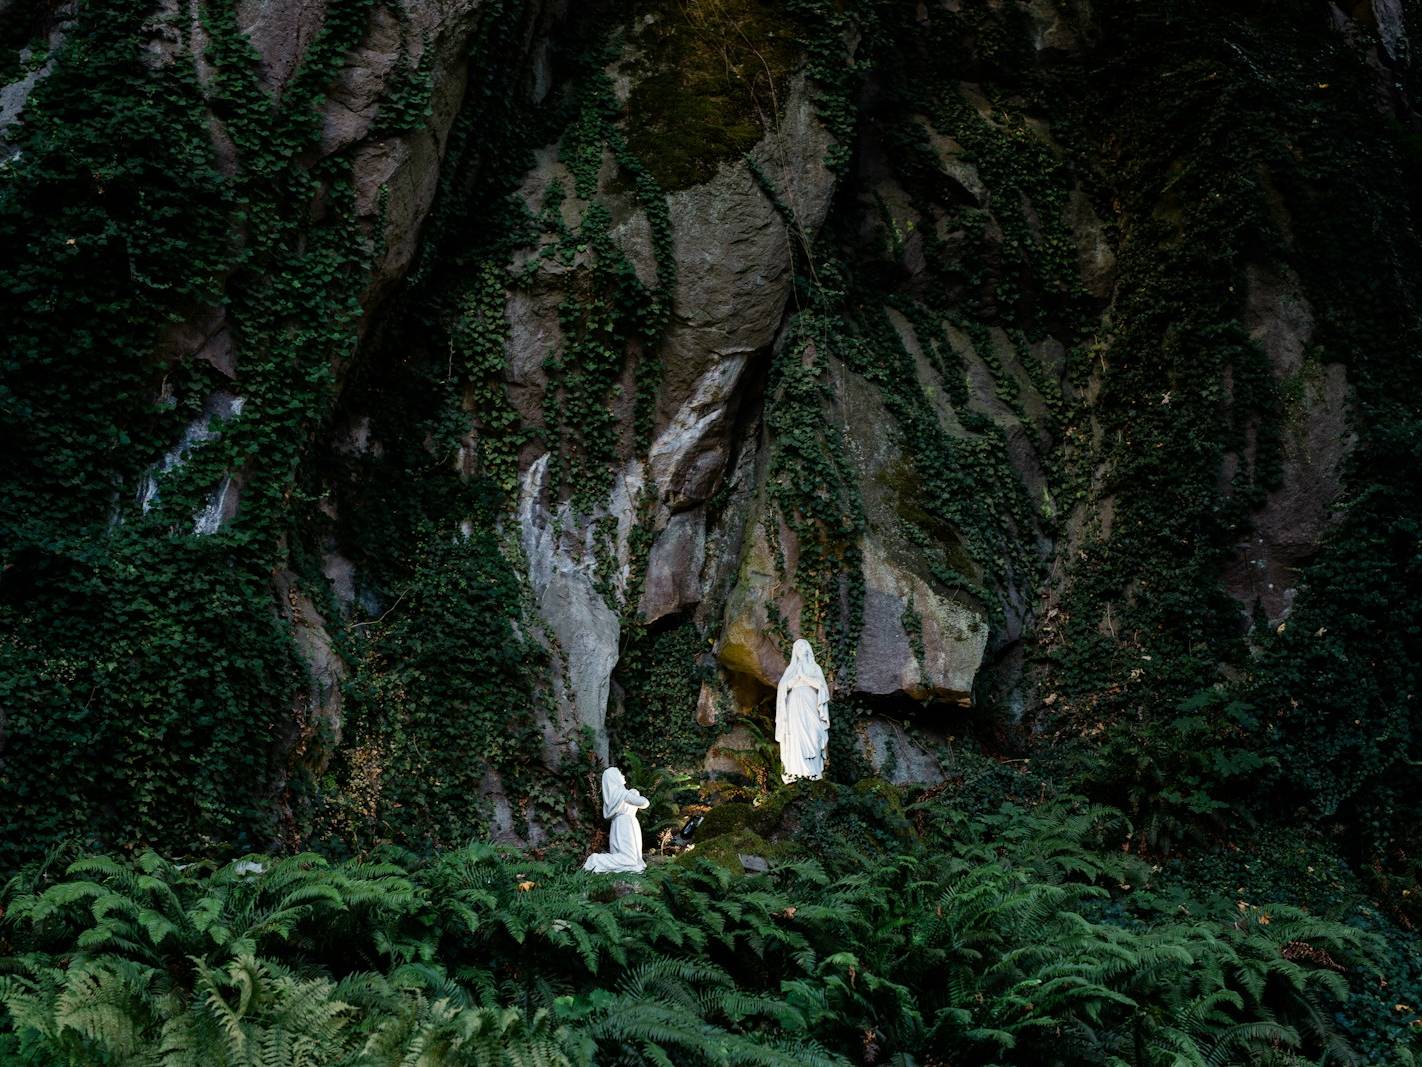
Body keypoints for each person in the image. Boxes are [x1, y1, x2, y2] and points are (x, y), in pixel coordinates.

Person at [775, 638, 830, 783]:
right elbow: (783, 688)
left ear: (808, 649)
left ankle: (813, 770)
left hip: (811, 704)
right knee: (796, 736)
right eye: (797, 647)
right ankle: (797, 771)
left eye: (803, 646)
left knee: (814, 733)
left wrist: (804, 677)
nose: (800, 648)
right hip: (794, 707)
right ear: (795, 652)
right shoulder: (791, 669)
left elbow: (822, 687)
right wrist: (794, 680)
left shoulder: (814, 668)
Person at [583, 766, 650, 873]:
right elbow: (644, 803)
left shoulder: (616, 795)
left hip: (621, 824)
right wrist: (634, 793)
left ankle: (606, 864)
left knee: (633, 859)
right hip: (625, 825)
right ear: (614, 777)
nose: (623, 776)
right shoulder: (622, 794)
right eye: (620, 773)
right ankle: (596, 860)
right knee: (629, 858)